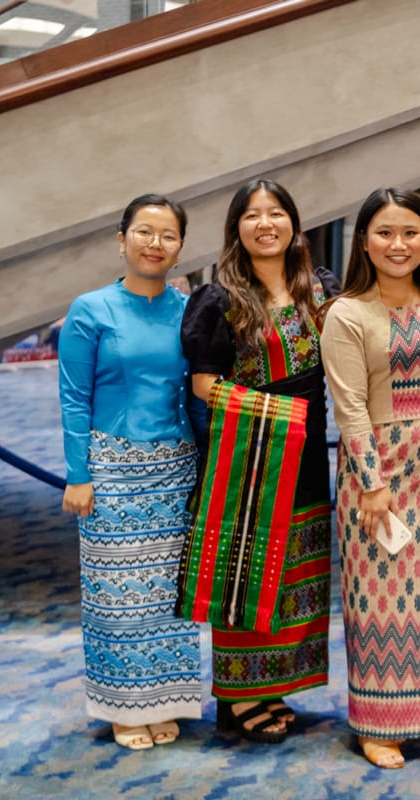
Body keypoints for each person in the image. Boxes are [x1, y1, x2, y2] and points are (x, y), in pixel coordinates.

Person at [181, 178, 340, 744]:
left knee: (296, 567)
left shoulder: (320, 289)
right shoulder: (220, 299)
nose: (265, 223)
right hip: (250, 455)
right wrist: (279, 415)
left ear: (295, 225)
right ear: (236, 228)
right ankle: (238, 694)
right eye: (253, 215)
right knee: (248, 571)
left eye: (277, 213)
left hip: (309, 455)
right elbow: (203, 385)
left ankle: (269, 685)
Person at [321, 188, 420, 769]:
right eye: (385, 232)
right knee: (378, 596)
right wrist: (372, 482)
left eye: (410, 232)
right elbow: (351, 406)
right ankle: (376, 724)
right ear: (364, 241)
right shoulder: (348, 312)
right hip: (378, 464)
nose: (398, 244)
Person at [59, 194, 204, 750]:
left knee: (167, 596)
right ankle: (123, 707)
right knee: (116, 594)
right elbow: (73, 398)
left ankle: (163, 699)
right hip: (112, 466)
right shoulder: (91, 309)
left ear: (180, 248)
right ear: (121, 240)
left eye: (168, 235)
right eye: (144, 232)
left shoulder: (188, 308)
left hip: (175, 466)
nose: (155, 244)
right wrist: (78, 474)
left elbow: (194, 393)